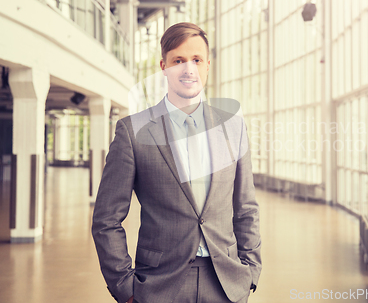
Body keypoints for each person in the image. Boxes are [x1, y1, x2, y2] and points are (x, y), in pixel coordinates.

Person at [92, 22, 262, 303]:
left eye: (196, 60)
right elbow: (106, 219)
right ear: (164, 67)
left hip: (226, 284)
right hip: (159, 285)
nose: (188, 69)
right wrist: (125, 287)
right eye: (178, 60)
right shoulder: (132, 131)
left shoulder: (233, 127)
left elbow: (246, 208)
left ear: (208, 65)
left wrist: (251, 272)